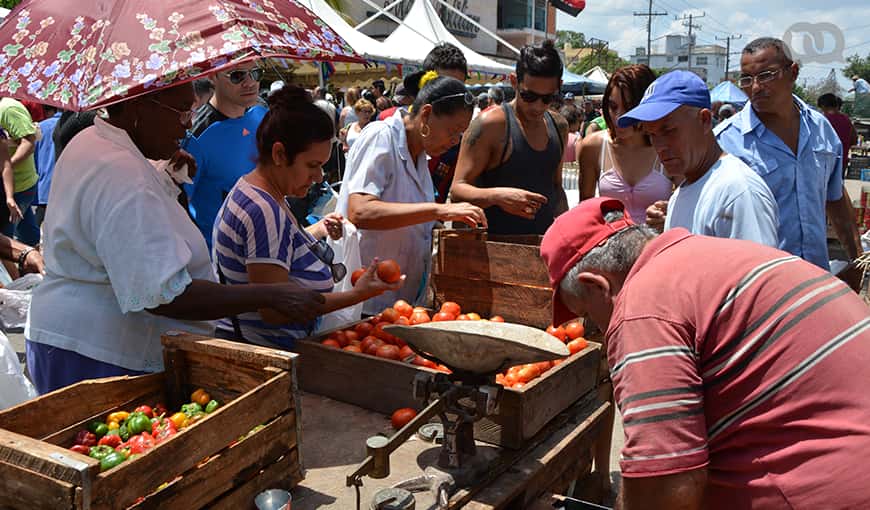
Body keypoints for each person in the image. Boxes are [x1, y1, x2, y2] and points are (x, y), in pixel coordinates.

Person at [539, 197, 870, 510]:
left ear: (598, 285)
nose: (595, 328)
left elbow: (667, 485)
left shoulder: (643, 305)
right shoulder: (709, 255)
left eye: (587, 313)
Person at [26, 80, 327, 394]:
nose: (188, 124)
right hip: (98, 355)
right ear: (136, 106)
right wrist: (270, 294)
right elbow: (166, 294)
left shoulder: (97, 140)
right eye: (182, 111)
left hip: (75, 342)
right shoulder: (121, 173)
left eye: (192, 109)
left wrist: (162, 173)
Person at [213, 86, 402, 347]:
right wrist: (358, 294)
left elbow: (278, 251)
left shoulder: (259, 192)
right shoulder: (263, 210)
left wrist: (316, 231)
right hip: (268, 354)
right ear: (279, 154)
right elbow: (276, 309)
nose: (319, 178)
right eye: (312, 166)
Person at [715, 38, 863, 289]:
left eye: (766, 75)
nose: (756, 87)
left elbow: (836, 200)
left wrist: (857, 263)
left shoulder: (820, 130)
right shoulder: (726, 141)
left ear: (792, 72)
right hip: (759, 290)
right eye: (747, 79)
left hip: (817, 282)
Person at [336, 74, 486, 314]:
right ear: (426, 115)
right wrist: (439, 210)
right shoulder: (381, 136)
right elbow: (361, 210)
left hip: (398, 301)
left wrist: (440, 228)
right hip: (363, 301)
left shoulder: (420, 155)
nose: (455, 142)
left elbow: (408, 217)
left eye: (461, 135)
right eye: (453, 131)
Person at [619, 70, 779, 246]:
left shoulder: (737, 191)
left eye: (669, 130)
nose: (660, 146)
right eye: (652, 134)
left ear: (705, 120)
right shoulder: (681, 194)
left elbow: (758, 271)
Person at [451, 40, 569, 235]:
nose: (538, 106)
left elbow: (556, 187)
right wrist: (497, 196)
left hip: (543, 250)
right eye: (529, 96)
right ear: (514, 82)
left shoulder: (559, 126)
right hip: (493, 251)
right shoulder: (491, 125)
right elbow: (457, 190)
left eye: (548, 98)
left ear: (559, 87)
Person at [183, 62, 269, 247]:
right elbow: (177, 206)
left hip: (268, 246)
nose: (250, 83)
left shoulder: (262, 115)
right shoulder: (197, 138)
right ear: (212, 76)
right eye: (237, 75)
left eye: (255, 73)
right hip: (221, 261)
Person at [576, 65, 671, 222]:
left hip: (659, 244)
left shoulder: (668, 146)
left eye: (629, 107)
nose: (619, 117)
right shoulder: (592, 147)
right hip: (611, 244)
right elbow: (585, 213)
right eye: (613, 107)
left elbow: (685, 207)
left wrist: (667, 216)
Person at [419, 43, 469, 204]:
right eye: (444, 87)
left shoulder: (456, 144)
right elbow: (362, 210)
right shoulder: (389, 133)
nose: (452, 99)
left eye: (457, 90)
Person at [0, 97, 40, 246]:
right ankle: (40, 262)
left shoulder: (8, 108)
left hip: (18, 188)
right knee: (28, 234)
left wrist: (6, 166)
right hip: (16, 188)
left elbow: (29, 143)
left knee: (6, 241)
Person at [33, 105, 62, 225]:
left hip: (43, 187)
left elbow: (33, 156)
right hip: (64, 187)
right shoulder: (73, 126)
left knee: (38, 228)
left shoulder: (39, 127)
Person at [818, 93, 857, 177]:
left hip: (825, 162)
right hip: (842, 162)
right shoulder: (847, 120)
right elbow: (854, 140)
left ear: (823, 106)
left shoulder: (822, 120)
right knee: (839, 188)